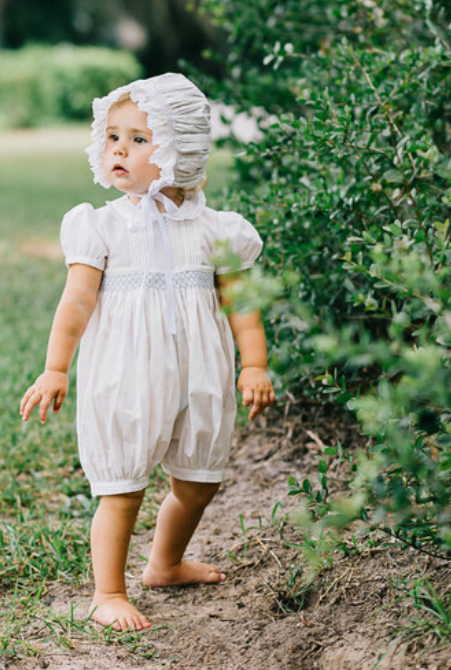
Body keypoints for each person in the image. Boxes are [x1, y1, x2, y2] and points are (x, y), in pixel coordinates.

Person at [20, 72, 275, 632]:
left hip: (200, 375)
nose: (120, 150)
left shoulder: (217, 230)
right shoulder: (101, 226)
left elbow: (242, 304)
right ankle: (108, 591)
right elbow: (76, 302)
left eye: (140, 139)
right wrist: (54, 368)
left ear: (180, 150)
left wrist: (254, 363)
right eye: (113, 137)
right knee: (123, 486)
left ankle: (165, 563)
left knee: (199, 480)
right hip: (126, 374)